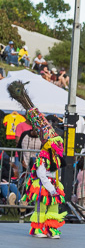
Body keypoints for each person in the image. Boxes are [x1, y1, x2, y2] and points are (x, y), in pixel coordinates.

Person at [8, 82, 67, 238]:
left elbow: (57, 172)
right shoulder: (43, 156)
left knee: (53, 207)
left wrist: (56, 185)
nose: (59, 145)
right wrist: (50, 188)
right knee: (41, 207)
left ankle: (51, 228)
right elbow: (41, 174)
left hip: (53, 184)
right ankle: (38, 228)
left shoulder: (56, 157)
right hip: (43, 185)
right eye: (56, 143)